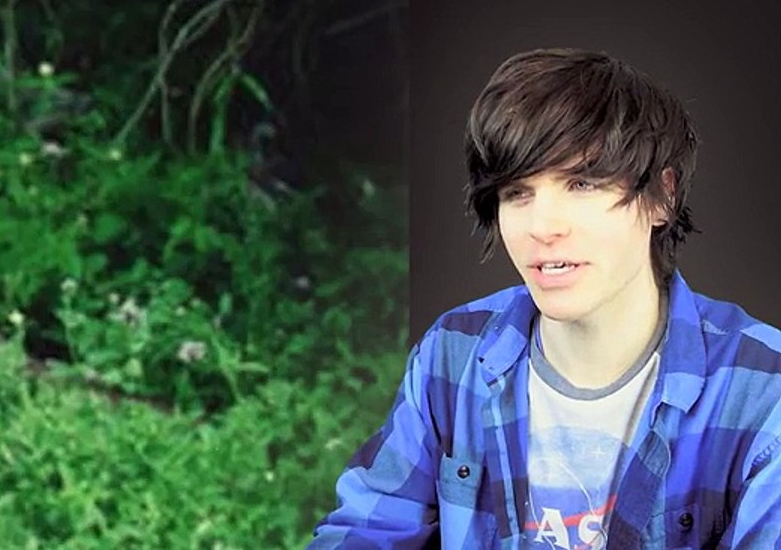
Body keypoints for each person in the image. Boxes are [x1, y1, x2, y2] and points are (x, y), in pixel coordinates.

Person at [312, 48, 781, 547]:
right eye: (517, 192)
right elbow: (365, 530)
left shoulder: (762, 391)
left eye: (581, 183)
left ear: (661, 196)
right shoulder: (452, 354)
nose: (542, 226)